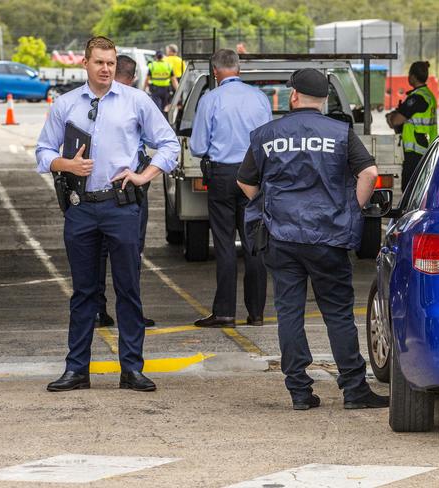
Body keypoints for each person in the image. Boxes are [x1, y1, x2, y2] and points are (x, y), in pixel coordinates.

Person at [237, 68, 389, 411]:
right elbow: (369, 173)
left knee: (288, 311)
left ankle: (299, 391)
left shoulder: (266, 134)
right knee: (337, 313)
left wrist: (271, 205)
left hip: (281, 236)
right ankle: (353, 389)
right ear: (324, 101)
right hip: (327, 235)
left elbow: (245, 182)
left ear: (293, 96)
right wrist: (352, 208)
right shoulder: (340, 132)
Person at [36, 36, 180, 392]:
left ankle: (131, 369)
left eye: (111, 63)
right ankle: (76, 370)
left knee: (128, 289)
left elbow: (169, 144)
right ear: (85, 63)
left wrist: (143, 175)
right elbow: (42, 151)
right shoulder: (65, 104)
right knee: (84, 291)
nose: (105, 69)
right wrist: (65, 163)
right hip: (81, 208)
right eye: (99, 62)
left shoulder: (137, 101)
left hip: (121, 205)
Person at [190, 48, 272, 328]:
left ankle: (224, 312)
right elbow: (268, 141)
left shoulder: (210, 99)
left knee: (225, 244)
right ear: (239, 68)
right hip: (254, 175)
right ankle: (257, 312)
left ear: (215, 72)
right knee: (254, 244)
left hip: (222, 176)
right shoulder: (260, 98)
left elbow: (198, 146)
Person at [94, 54, 155, 329]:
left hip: (92, 193)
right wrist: (143, 176)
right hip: (128, 191)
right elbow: (163, 142)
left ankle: (97, 310)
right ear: (131, 77)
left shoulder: (94, 98)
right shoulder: (136, 101)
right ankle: (131, 313)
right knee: (131, 254)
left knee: (96, 253)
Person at [385, 61, 438, 191]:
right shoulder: (428, 95)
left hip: (415, 152)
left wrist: (390, 116)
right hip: (426, 148)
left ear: (413, 77)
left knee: (409, 190)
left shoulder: (417, 98)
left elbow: (396, 121)